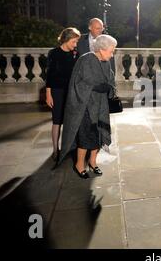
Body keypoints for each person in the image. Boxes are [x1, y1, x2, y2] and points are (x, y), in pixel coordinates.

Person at [57, 35, 117, 179]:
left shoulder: (106, 62)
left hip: (100, 106)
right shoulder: (86, 59)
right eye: (111, 50)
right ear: (102, 50)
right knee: (85, 137)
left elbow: (111, 80)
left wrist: (109, 88)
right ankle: (79, 165)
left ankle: (93, 162)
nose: (112, 53)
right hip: (84, 106)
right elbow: (79, 83)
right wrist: (97, 87)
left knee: (98, 135)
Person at [45, 27, 81, 161]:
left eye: (76, 42)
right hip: (57, 91)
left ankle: (69, 148)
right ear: (66, 39)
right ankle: (55, 150)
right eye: (74, 41)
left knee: (70, 120)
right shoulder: (53, 53)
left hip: (71, 91)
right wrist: (48, 94)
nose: (75, 45)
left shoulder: (75, 54)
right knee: (57, 121)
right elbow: (49, 75)